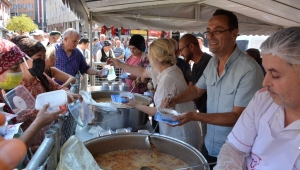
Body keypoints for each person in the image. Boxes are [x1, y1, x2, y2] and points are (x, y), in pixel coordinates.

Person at [165, 9, 264, 168]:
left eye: (217, 31)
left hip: (234, 152)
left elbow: (237, 117)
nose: (210, 36)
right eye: (208, 31)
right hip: (209, 143)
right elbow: (197, 90)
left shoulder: (249, 70)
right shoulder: (212, 63)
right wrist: (174, 100)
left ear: (234, 33)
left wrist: (194, 116)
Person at [215, 27, 300, 170]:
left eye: (275, 75)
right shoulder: (263, 98)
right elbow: (235, 148)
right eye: (266, 72)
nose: (265, 83)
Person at [125, 39, 201, 150]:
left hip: (181, 136)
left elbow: (159, 112)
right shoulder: (170, 68)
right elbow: (142, 72)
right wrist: (119, 64)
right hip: (186, 130)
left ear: (155, 57)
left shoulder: (166, 81)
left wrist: (134, 104)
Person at [0, 39, 64, 168]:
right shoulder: (10, 92)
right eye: (14, 67)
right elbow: (7, 157)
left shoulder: (2, 98)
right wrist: (38, 122)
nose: (20, 70)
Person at [11, 36, 82, 148]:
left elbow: (58, 87)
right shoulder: (13, 88)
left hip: (49, 140)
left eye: (44, 57)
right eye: (39, 57)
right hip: (30, 149)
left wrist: (66, 94)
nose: (42, 61)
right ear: (22, 59)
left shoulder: (41, 77)